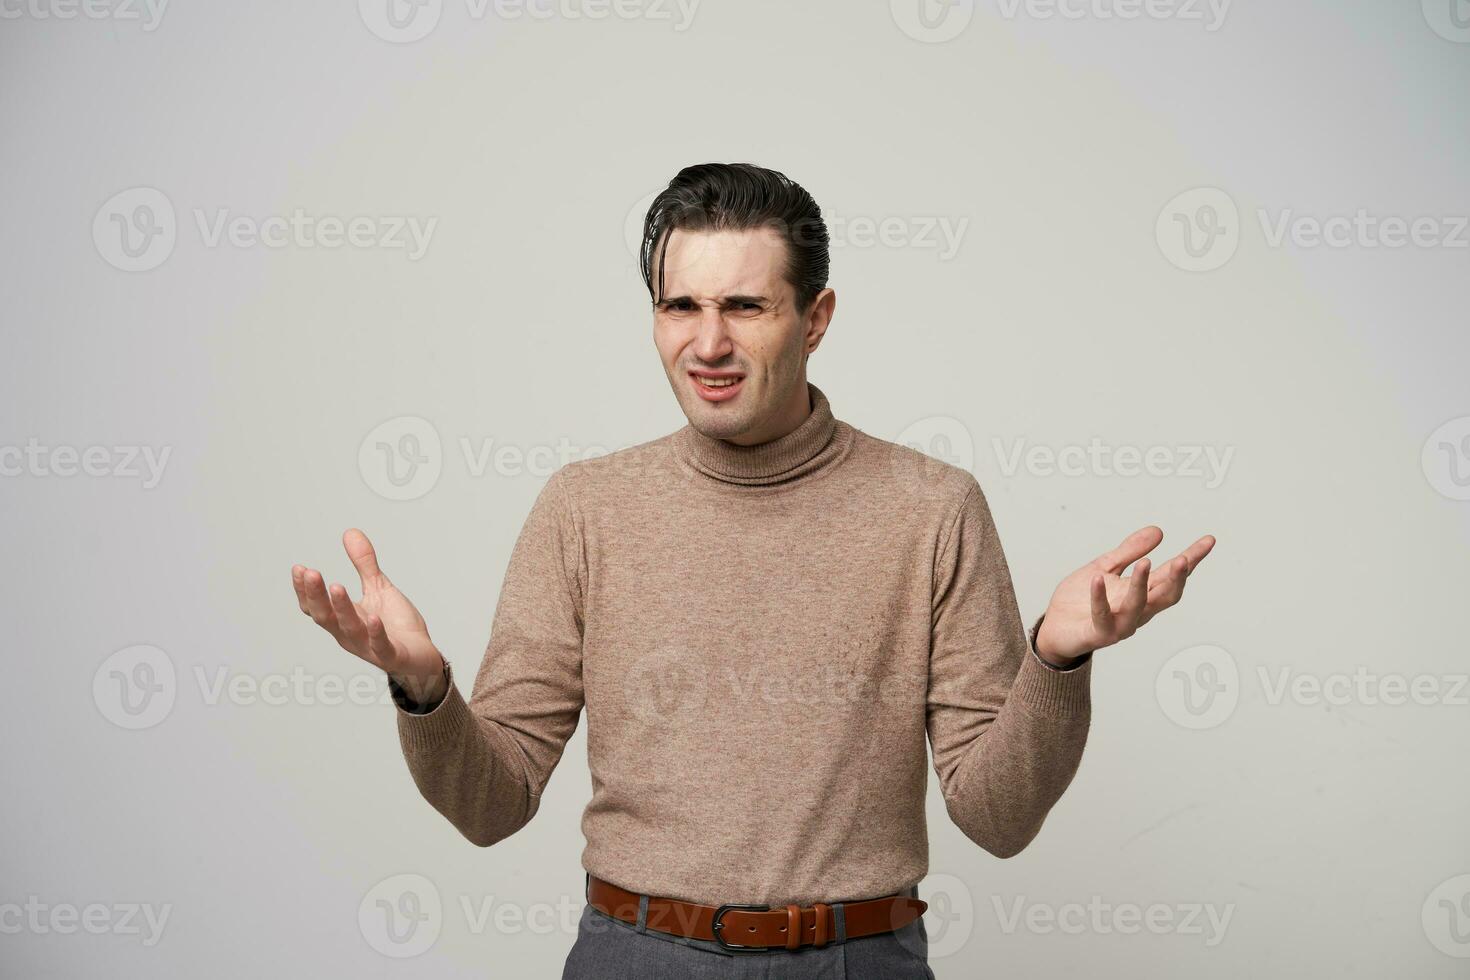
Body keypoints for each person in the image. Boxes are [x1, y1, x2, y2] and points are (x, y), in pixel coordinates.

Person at [290, 162, 1215, 978]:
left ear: (816, 319)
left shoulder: (933, 507)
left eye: (744, 305)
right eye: (679, 305)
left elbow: (998, 818)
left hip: (863, 960)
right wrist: (423, 689)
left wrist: (1057, 659)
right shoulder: (584, 509)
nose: (708, 343)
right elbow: (492, 805)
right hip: (634, 958)